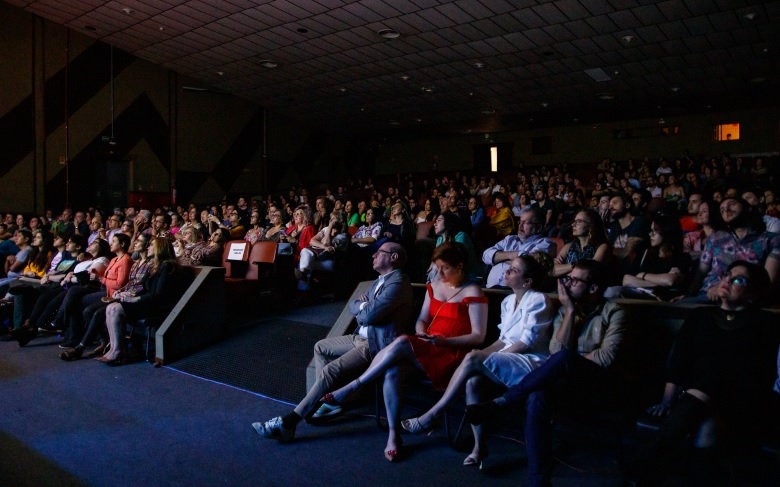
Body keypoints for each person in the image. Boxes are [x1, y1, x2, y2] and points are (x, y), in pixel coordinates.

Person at [320, 243, 488, 462]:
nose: (440, 273)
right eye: (437, 267)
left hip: (453, 353)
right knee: (393, 370)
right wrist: (422, 333)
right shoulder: (434, 285)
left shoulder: (473, 291)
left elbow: (478, 336)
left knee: (400, 342)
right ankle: (394, 436)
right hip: (428, 347)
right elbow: (421, 321)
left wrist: (444, 341)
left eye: (445, 268)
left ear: (460, 265)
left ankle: (353, 386)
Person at [465, 260, 628, 486]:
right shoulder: (565, 309)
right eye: (567, 279)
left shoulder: (615, 312)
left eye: (574, 280)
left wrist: (568, 361)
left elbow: (605, 359)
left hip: (596, 384)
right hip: (564, 382)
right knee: (537, 397)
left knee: (565, 359)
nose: (567, 285)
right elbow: (555, 351)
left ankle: (502, 401)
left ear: (593, 288)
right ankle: (538, 481)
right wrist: (570, 312)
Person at [633, 261, 780, 485]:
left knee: (709, 387)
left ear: (752, 294)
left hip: (741, 401)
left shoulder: (765, 323)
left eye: (738, 280)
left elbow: (758, 372)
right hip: (697, 399)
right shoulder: (700, 317)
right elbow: (678, 361)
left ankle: (644, 471)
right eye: (727, 275)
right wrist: (666, 401)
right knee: (706, 431)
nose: (727, 281)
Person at [402, 255, 555, 468]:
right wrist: (481, 354)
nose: (507, 271)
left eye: (514, 270)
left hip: (529, 362)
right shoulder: (508, 301)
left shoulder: (539, 300)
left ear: (527, 281)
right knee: (472, 380)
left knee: (474, 358)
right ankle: (479, 446)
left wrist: (486, 358)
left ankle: (433, 413)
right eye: (508, 267)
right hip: (508, 358)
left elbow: (525, 343)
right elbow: (502, 340)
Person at [252, 242, 414, 442]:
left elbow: (368, 315)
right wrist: (362, 306)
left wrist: (362, 307)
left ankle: (290, 421)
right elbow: (354, 306)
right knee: (321, 346)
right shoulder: (379, 280)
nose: (373, 256)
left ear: (393, 258)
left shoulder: (398, 283)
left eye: (379, 252)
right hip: (358, 337)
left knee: (330, 371)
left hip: (375, 343)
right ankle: (325, 404)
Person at [99, 237, 191, 364]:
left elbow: (159, 294)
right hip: (149, 302)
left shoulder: (167, 266)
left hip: (158, 306)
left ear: (160, 248)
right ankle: (114, 348)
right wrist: (127, 296)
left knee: (115, 308)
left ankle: (118, 350)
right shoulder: (155, 266)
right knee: (111, 307)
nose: (148, 247)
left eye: (151, 245)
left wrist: (136, 299)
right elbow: (145, 288)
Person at [482, 207, 556, 288]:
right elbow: (486, 256)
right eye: (520, 222)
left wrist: (499, 258)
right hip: (489, 289)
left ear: (538, 227)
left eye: (525, 223)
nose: (520, 226)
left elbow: (528, 265)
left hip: (515, 292)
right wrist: (512, 255)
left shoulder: (545, 243)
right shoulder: (509, 239)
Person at [552, 208, 610, 277]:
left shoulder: (602, 247)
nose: (573, 224)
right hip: (563, 286)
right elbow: (553, 271)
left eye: (579, 221)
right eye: (574, 221)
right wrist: (573, 266)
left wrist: (563, 270)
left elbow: (589, 273)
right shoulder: (569, 246)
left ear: (590, 226)